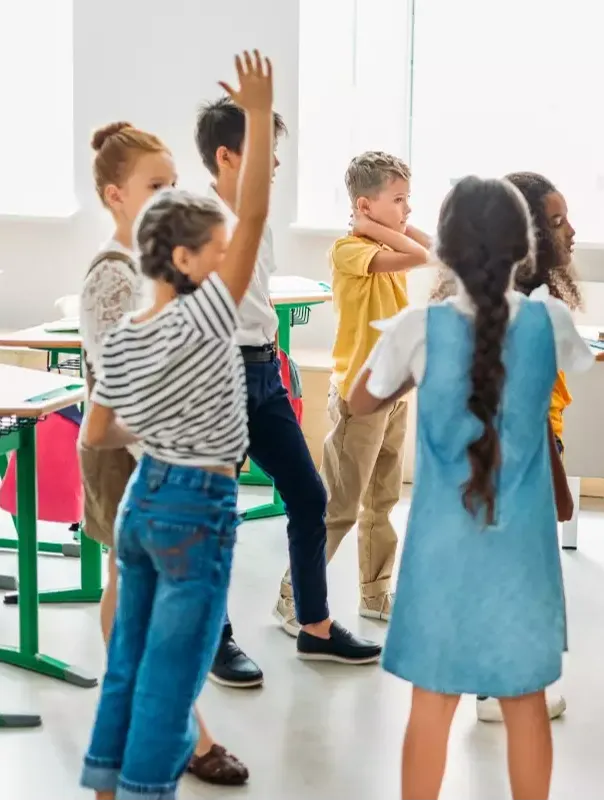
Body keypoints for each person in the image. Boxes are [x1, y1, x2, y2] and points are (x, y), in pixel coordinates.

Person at [350, 175, 595, 800]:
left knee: (430, 707)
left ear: (444, 250)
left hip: (441, 555)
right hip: (524, 556)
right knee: (526, 703)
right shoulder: (553, 322)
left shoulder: (417, 328)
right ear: (525, 249)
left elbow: (359, 401)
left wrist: (413, 376)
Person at [79, 50, 272, 801]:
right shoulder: (206, 313)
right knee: (168, 676)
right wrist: (255, 114)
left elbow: (97, 430)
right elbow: (251, 211)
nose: (232, 256)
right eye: (219, 251)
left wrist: (156, 423)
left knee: (130, 664)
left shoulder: (132, 328)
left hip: (145, 497)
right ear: (186, 256)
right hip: (194, 501)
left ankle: (104, 786)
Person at [194, 99, 381, 669]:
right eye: (263, 153)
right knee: (217, 515)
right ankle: (213, 637)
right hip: (216, 376)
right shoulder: (195, 219)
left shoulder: (259, 219)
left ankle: (315, 626)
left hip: (263, 372)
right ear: (226, 157)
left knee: (308, 495)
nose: (275, 164)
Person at [428, 170, 580, 723]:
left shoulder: (522, 298)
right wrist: (559, 490)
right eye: (558, 221)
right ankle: (496, 689)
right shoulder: (522, 310)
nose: (571, 232)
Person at [274, 151, 431, 631]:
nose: (407, 211)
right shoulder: (349, 250)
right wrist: (366, 225)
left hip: (394, 392)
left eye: (408, 199)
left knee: (382, 500)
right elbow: (420, 255)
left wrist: (383, 220)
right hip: (359, 396)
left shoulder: (384, 240)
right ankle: (293, 596)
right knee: (337, 507)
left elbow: (432, 246)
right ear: (365, 204)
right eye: (399, 200)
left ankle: (375, 592)